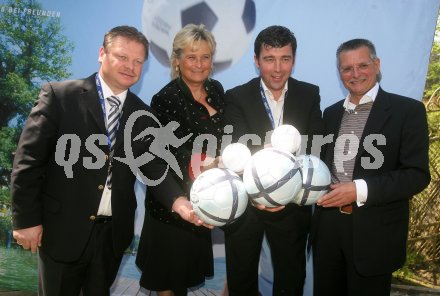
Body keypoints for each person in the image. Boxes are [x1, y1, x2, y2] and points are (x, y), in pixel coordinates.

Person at [11, 25, 206, 296]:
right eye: (122, 57)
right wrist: (25, 220)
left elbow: (153, 166)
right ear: (102, 53)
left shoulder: (143, 114)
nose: (131, 66)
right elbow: (28, 161)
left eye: (138, 61)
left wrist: (180, 203)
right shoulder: (59, 96)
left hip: (111, 237)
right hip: (63, 230)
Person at [312, 38, 431, 296]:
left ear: (376, 65)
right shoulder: (330, 114)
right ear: (339, 72)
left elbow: (416, 175)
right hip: (328, 232)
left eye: (362, 65)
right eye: (347, 68)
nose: (355, 74)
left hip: (374, 236)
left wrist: (359, 190)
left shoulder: (407, 111)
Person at [222, 25, 323, 295]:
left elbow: (316, 145)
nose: (278, 68)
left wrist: (285, 186)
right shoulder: (236, 97)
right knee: (241, 277)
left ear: (294, 59)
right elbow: (237, 147)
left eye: (285, 59)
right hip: (247, 203)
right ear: (256, 61)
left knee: (291, 278)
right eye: (269, 59)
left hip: (292, 203)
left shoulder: (309, 94)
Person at [135, 24, 224, 296]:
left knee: (184, 280)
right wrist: (204, 161)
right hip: (171, 207)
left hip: (202, 201)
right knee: (167, 285)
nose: (199, 64)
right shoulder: (165, 98)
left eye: (205, 56)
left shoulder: (217, 89)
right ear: (176, 60)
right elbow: (164, 151)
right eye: (191, 56)